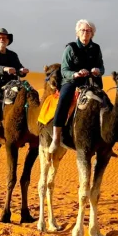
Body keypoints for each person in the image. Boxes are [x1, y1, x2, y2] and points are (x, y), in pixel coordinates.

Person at [48, 19, 104, 153]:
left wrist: (97, 71)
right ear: (77, 33)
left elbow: (101, 67)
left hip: (90, 82)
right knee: (64, 100)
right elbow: (64, 70)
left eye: (88, 31)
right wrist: (76, 74)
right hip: (72, 81)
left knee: (105, 102)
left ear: (92, 34)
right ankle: (56, 138)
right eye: (83, 30)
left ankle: (104, 139)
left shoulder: (96, 48)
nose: (85, 33)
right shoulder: (70, 48)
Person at [0, 28, 29, 138]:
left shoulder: (12, 55)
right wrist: (4, 69)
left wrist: (22, 71)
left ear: (8, 41)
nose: (2, 39)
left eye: (4, 38)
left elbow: (18, 67)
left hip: (11, 82)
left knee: (26, 92)